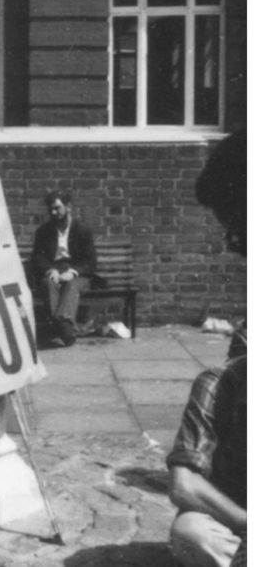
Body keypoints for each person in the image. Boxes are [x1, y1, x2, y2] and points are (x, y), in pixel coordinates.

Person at [167, 130, 246, 567]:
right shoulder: (225, 381)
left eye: (233, 222)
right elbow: (183, 484)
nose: (232, 242)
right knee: (191, 532)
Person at [30, 189, 97, 346]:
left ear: (68, 207)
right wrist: (49, 269)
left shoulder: (82, 230)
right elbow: (37, 257)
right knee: (48, 284)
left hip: (77, 274)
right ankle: (65, 328)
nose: (53, 212)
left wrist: (73, 272)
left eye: (57, 208)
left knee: (71, 285)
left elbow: (91, 262)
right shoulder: (44, 231)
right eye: (50, 209)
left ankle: (61, 324)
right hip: (54, 270)